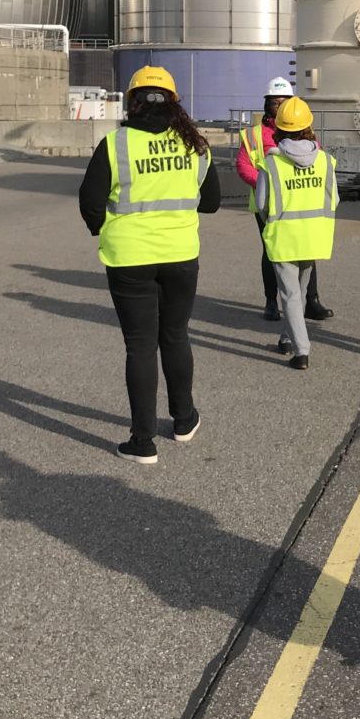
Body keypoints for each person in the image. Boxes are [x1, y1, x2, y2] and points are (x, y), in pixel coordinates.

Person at [79, 66, 221, 465]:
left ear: (133, 102)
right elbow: (210, 202)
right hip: (180, 255)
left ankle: (143, 441)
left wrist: (106, 230)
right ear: (175, 103)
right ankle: (183, 420)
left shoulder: (115, 144)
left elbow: (90, 201)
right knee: (175, 336)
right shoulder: (194, 145)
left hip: (128, 259)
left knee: (140, 345)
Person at [237, 76, 334, 323]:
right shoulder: (254, 135)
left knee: (307, 251)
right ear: (266, 104)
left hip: (300, 200)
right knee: (271, 253)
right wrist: (266, 185)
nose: (279, 106)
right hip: (267, 206)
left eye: (284, 102)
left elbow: (317, 162)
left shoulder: (306, 134)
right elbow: (243, 165)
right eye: (274, 102)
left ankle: (311, 301)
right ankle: (271, 302)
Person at [255, 96, 338, 370]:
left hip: (283, 237)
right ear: (308, 126)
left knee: (290, 294)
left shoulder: (272, 163)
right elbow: (334, 200)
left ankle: (301, 351)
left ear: (278, 128)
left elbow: (261, 205)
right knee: (300, 292)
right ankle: (287, 338)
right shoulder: (325, 161)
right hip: (315, 235)